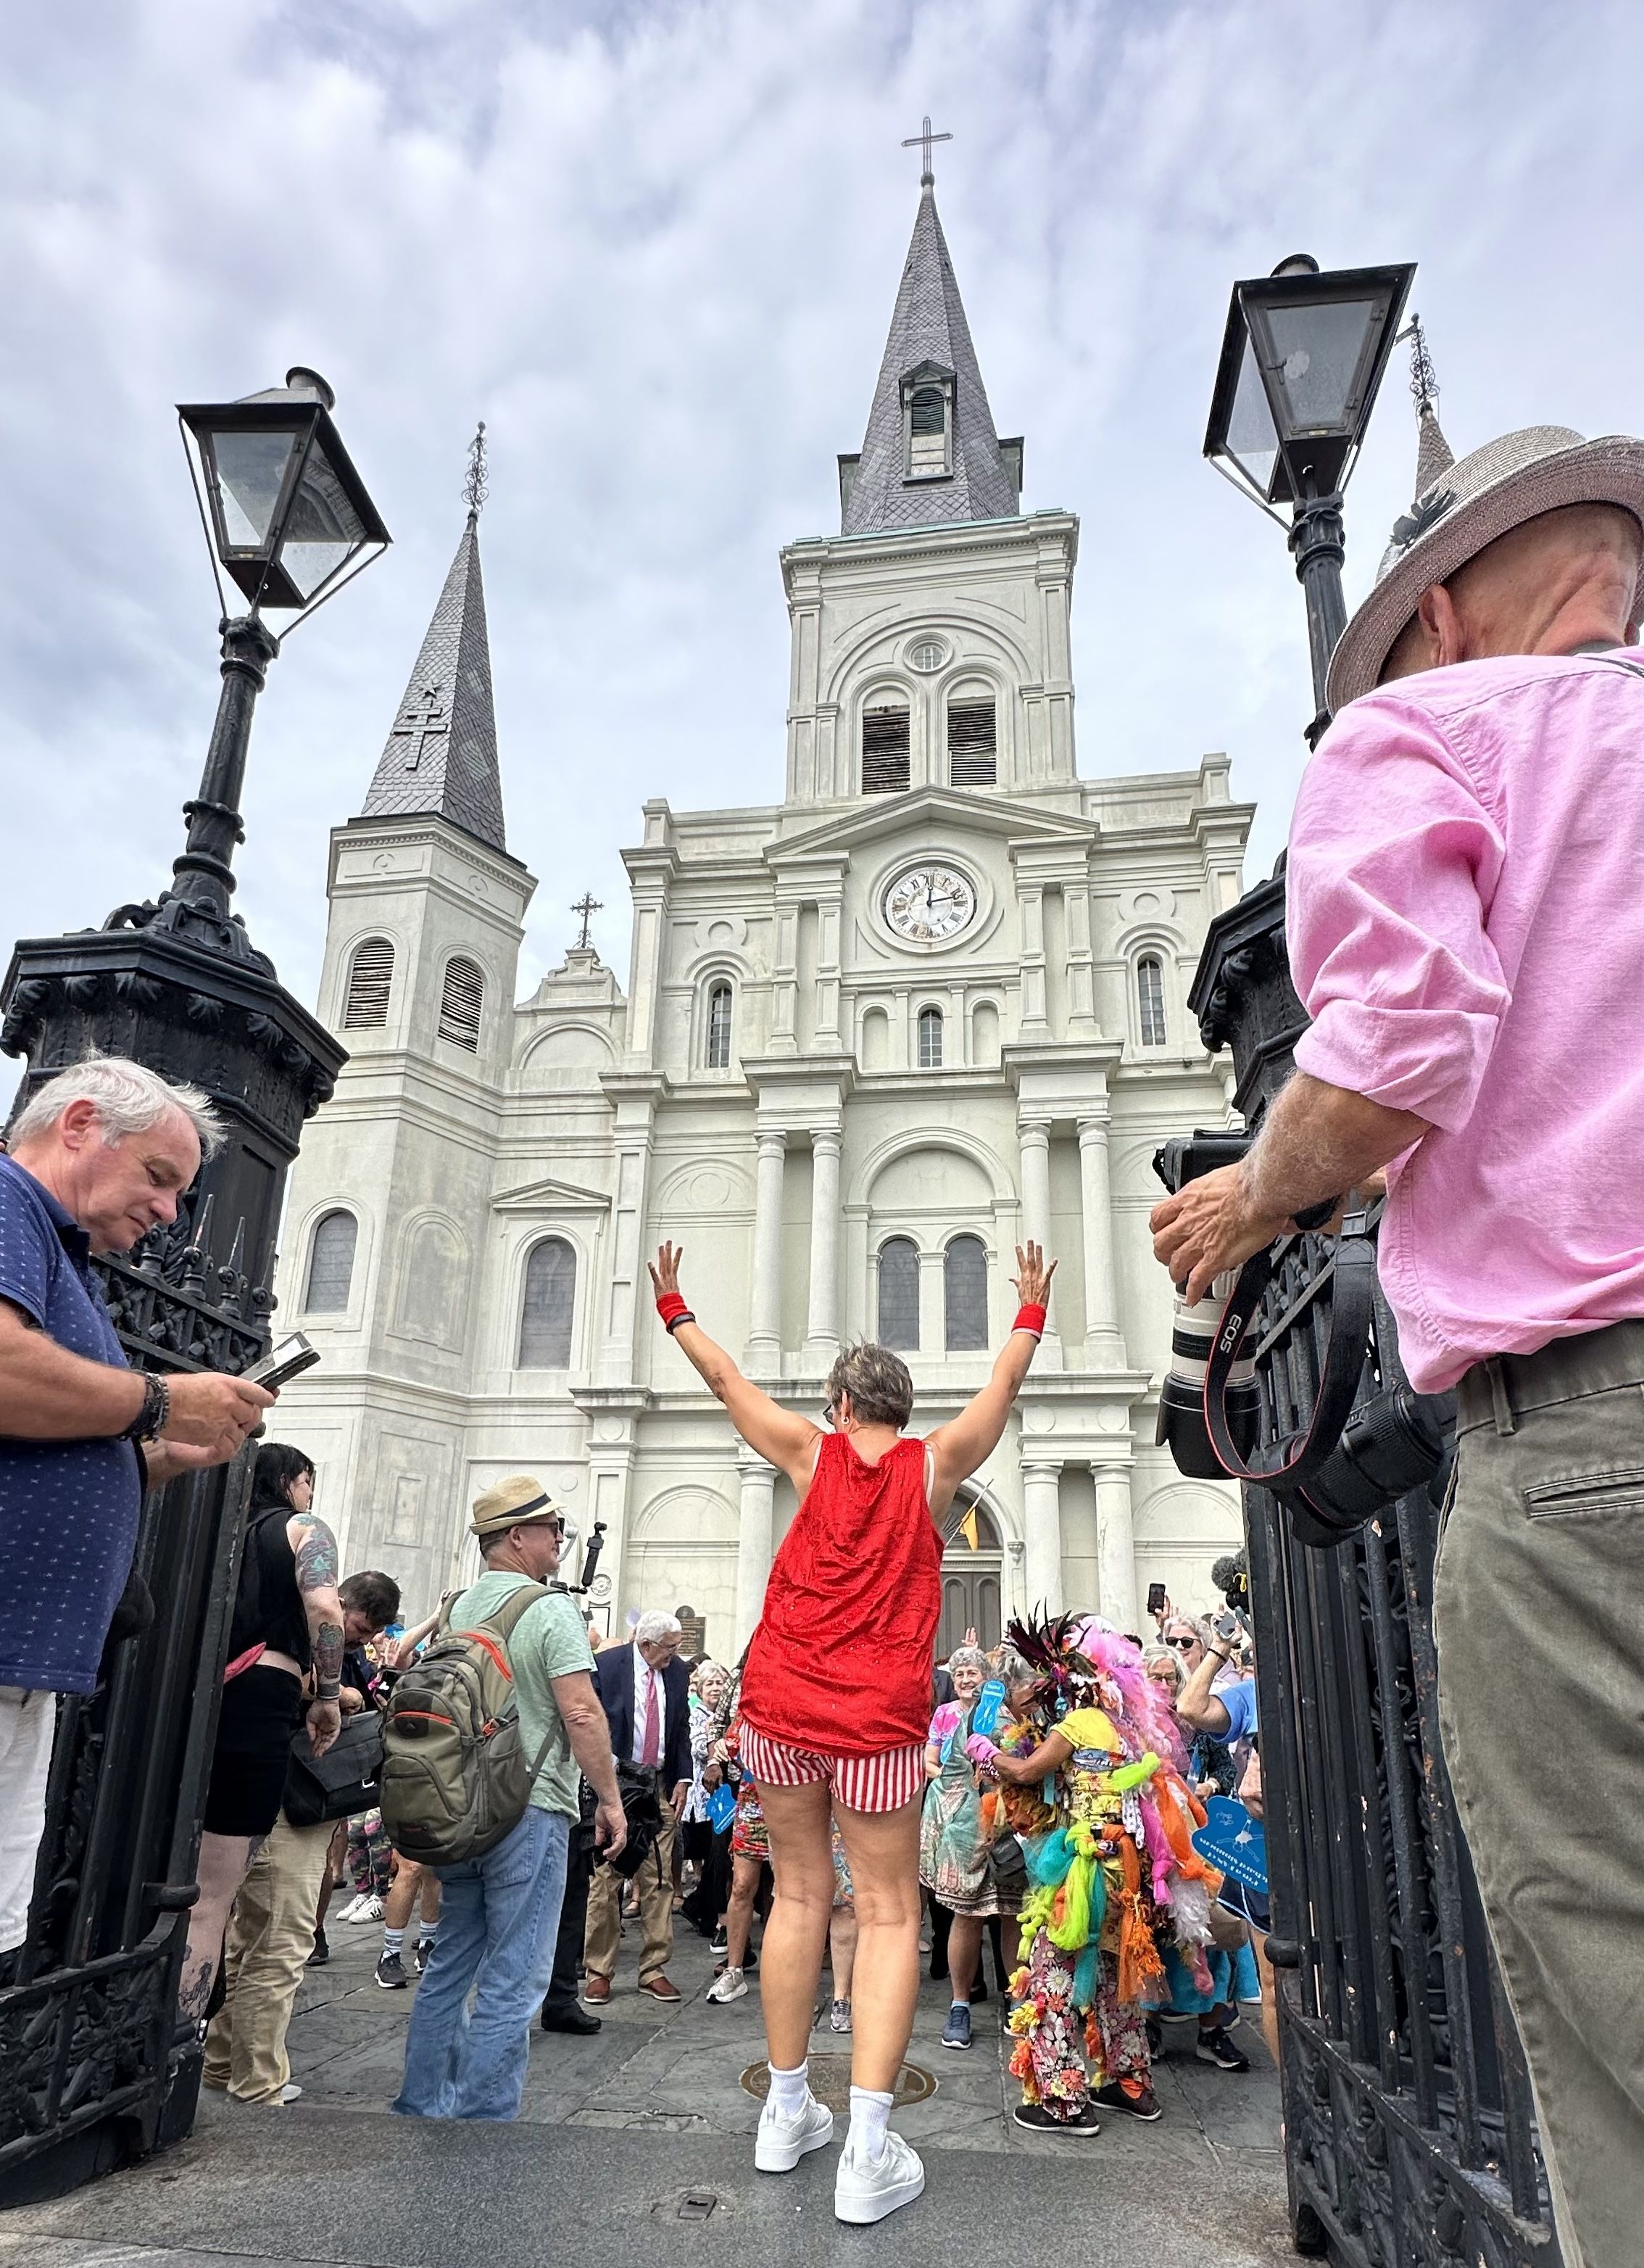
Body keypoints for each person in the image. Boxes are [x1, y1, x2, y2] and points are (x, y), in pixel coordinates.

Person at [1150, 423, 1644, 2267]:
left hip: (1594, 1425)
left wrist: (1258, 1194)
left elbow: (1405, 1042)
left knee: (1610, 1979)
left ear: (1432, 612)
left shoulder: (1436, 731)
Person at [649, 1236, 1055, 2226]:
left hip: (781, 1706)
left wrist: (672, 1302)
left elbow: (722, 1373)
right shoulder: (937, 1466)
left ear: (839, 1406)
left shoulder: (804, 1450)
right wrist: (1030, 1308)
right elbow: (1004, 1383)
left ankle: (786, 2112)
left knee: (796, 1895)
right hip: (876, 1723)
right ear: (902, 1411)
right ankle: (867, 2149)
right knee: (884, 1912)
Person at [0, 1056, 272, 1956]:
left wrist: (147, 1460)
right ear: (79, 1124)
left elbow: (45, 1421)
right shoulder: (6, 1200)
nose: (167, 1213)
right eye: (159, 1178)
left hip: (25, 1658)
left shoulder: (58, 1250)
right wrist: (158, 1398)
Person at [391, 1476, 626, 2122]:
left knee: (452, 1960)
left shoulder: (461, 1606)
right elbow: (580, 1713)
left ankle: (424, 2101)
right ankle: (484, 2122)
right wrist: (609, 1798)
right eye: (550, 1529)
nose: (559, 1539)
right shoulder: (547, 1609)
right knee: (516, 1974)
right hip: (530, 1803)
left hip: (458, 1804)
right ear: (517, 1538)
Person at [986, 1615, 1213, 2134]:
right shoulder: (1130, 1729)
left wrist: (987, 1750)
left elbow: (1024, 1772)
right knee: (1116, 1980)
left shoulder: (1080, 1724)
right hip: (1128, 1875)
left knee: (1051, 1978)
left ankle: (1064, 2102)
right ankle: (1131, 2084)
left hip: (1084, 1875)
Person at [203, 1568, 400, 2101]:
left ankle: (222, 2062)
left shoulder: (310, 1632)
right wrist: (344, 1696)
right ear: (337, 1604)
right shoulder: (304, 1635)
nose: (356, 1641)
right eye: (355, 1628)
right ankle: (260, 2080)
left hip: (276, 1795)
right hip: (289, 1802)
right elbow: (288, 1679)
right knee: (283, 1942)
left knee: (250, 1938)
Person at [178, 1441, 349, 2025]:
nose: (310, 1494)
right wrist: (328, 1694)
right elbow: (327, 1609)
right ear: (293, 1480)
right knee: (210, 1898)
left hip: (176, 1696)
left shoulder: (203, 1521)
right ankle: (176, 2051)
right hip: (256, 1700)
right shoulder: (302, 1528)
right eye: (309, 1483)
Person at [581, 1609, 691, 2006]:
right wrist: (603, 1780)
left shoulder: (677, 1673)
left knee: (660, 1878)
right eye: (669, 1649)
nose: (674, 1656)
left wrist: (683, 1778)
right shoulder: (606, 1668)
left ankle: (654, 1969)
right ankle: (599, 1970)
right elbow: (589, 1724)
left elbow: (681, 1728)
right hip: (614, 1783)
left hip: (659, 1785)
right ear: (645, 1645)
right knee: (606, 1879)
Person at [919, 1644, 1018, 2053]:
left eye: (974, 1673)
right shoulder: (958, 1715)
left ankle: (1017, 1996)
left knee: (1012, 1911)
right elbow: (937, 1763)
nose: (966, 1680)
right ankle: (960, 2003)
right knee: (967, 1913)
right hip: (964, 1823)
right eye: (959, 1674)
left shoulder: (1013, 1714)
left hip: (1009, 1821)